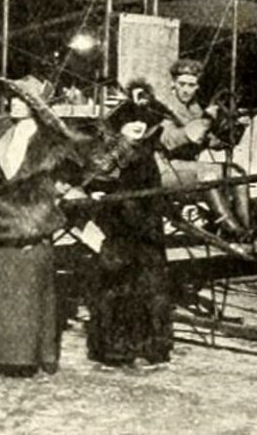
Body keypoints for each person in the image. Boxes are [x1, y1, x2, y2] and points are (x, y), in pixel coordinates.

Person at [0, 75, 88, 378]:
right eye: (13, 97)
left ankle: (31, 356)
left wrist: (55, 196)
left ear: (36, 105)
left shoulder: (50, 142)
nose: (15, 102)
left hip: (33, 225)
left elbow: (74, 174)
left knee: (30, 293)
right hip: (1, 222)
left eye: (23, 99)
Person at [85, 85, 173, 369]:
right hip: (118, 228)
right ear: (120, 125)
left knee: (149, 289)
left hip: (146, 229)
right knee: (117, 287)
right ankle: (115, 350)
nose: (138, 126)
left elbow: (157, 190)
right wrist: (98, 196)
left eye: (142, 122)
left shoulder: (148, 154)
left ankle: (148, 349)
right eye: (131, 121)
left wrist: (161, 214)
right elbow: (94, 181)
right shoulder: (107, 153)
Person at [156, 58, 250, 238]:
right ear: (173, 84)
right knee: (208, 175)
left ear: (197, 86)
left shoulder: (195, 109)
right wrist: (206, 120)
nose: (186, 90)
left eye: (191, 85)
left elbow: (213, 143)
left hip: (188, 168)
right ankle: (231, 228)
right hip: (165, 169)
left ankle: (246, 228)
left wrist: (237, 128)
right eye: (182, 84)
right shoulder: (163, 108)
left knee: (237, 173)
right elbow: (170, 141)